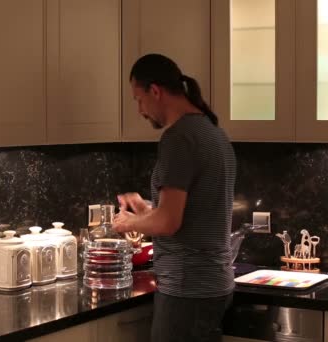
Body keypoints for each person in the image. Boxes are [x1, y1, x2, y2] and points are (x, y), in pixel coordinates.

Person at [112, 53, 236, 342]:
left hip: (187, 289)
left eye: (139, 100)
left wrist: (129, 222)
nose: (140, 110)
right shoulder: (214, 133)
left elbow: (168, 222)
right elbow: (195, 210)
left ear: (155, 91)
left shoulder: (178, 139)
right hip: (215, 284)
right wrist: (146, 210)